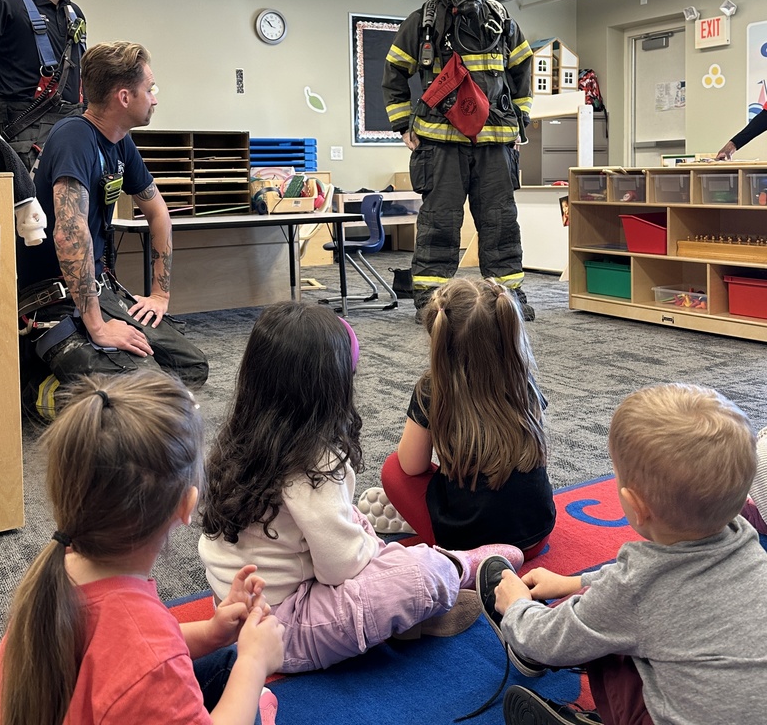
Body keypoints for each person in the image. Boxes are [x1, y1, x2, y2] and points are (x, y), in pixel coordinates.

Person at [198, 301, 525, 673]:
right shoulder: (312, 461)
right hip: (283, 631)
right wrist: (372, 553)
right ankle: (459, 565)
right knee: (420, 574)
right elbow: (339, 569)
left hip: (232, 606)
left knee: (354, 523)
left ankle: (402, 613)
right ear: (332, 387)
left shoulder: (239, 437)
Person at [0, 369, 285, 725]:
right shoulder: (149, 655)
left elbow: (125, 649)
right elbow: (144, 654)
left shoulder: (52, 578)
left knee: (227, 663)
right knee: (241, 676)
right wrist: (255, 664)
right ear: (187, 504)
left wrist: (212, 632)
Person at [476, 382, 767, 725]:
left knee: (603, 636)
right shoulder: (745, 541)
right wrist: (574, 582)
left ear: (632, 504)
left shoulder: (634, 591)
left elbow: (547, 640)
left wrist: (515, 606)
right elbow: (646, 580)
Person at [17, 41, 208, 415]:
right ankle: (40, 388)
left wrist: (159, 295)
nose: (154, 98)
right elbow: (69, 236)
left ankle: (96, 378)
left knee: (190, 367)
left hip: (99, 289)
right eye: (149, 89)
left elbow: (158, 213)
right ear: (124, 96)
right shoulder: (74, 136)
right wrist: (100, 327)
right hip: (52, 300)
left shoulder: (120, 142)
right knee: (142, 397)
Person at [381, 0, 535, 320]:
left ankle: (508, 300)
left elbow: (522, 72)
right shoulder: (423, 22)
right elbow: (395, 73)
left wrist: (521, 122)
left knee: (501, 222)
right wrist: (403, 126)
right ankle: (431, 303)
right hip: (441, 143)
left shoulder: (504, 23)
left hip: (496, 144)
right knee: (440, 223)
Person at [364, 278, 555, 555]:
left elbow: (411, 466)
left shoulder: (432, 389)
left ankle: (427, 522)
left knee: (393, 469)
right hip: (535, 540)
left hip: (466, 546)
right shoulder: (521, 380)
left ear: (440, 342)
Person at [0, 0, 88, 170]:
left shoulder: (73, 14)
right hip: (20, 132)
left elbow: (81, 76)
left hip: (72, 125)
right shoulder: (6, 0)